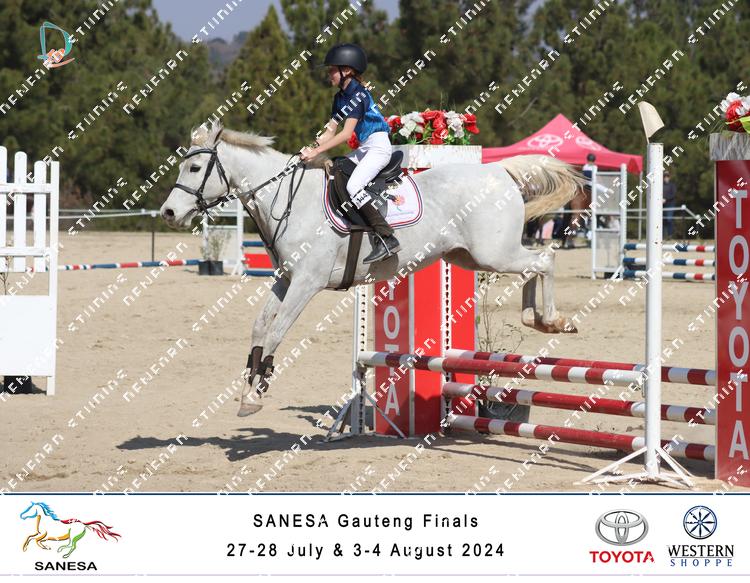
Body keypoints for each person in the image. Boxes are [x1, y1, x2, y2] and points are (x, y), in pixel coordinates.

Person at [300, 43, 400, 263]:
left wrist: (317, 151)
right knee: (336, 168)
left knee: (354, 186)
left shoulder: (358, 94)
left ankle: (386, 237)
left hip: (378, 147)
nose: (329, 74)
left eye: (332, 70)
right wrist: (311, 147)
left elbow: (346, 134)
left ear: (347, 70)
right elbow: (330, 131)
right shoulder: (340, 97)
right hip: (365, 148)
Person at [663, 170, 676, 239]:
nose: (666, 178)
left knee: (669, 219)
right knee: (663, 220)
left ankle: (670, 235)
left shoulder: (672, 185)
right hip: (662, 205)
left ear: (669, 177)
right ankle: (663, 235)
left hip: (670, 205)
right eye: (665, 176)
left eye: (667, 176)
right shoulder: (661, 185)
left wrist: (666, 199)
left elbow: (673, 195)